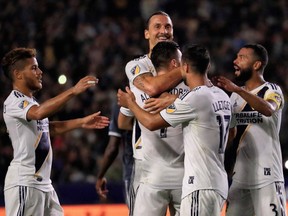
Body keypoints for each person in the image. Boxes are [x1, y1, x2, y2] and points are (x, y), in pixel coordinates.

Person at [118, 44, 232, 216]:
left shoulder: (189, 97)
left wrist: (131, 104)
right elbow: (231, 134)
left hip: (189, 181)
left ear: (184, 67)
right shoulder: (220, 94)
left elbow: (135, 123)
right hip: (209, 178)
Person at [1, 47, 110, 216]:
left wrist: (81, 122)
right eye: (34, 68)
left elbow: (47, 127)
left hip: (44, 185)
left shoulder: (31, 102)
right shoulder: (14, 101)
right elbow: (39, 113)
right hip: (24, 183)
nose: (40, 71)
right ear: (18, 74)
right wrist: (73, 91)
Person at [118, 11, 184, 216]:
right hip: (147, 165)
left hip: (186, 163)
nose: (164, 31)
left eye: (168, 27)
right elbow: (149, 88)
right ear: (147, 33)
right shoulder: (137, 66)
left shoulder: (186, 65)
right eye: (157, 26)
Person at [214, 44, 287, 215]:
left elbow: (268, 109)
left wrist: (237, 90)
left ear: (256, 65)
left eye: (242, 57)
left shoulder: (272, 90)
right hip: (240, 176)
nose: (235, 61)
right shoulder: (233, 97)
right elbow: (230, 136)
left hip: (268, 176)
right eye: (236, 56)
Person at [96, 102, 133, 209]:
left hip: (135, 170)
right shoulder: (162, 97)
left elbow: (112, 147)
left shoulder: (122, 103)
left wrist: (100, 176)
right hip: (167, 166)